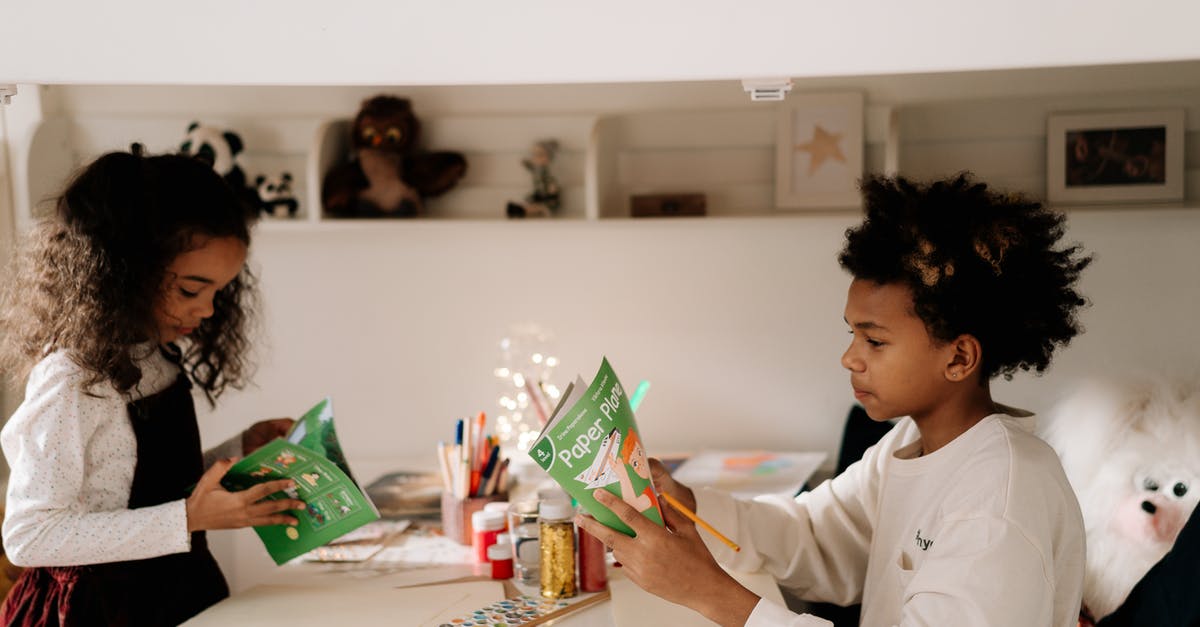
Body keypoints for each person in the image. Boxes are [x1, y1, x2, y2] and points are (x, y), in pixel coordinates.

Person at [577, 174, 1093, 626]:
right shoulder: (913, 444)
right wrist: (686, 503)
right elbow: (814, 535)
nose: (850, 358)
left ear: (958, 358)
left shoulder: (998, 502)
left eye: (874, 340)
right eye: (851, 334)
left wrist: (710, 593)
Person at [0, 146, 307, 626]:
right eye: (191, 289)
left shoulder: (154, 353)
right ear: (124, 271)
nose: (206, 310)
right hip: (98, 609)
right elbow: (29, 536)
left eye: (217, 292)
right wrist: (188, 519)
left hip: (178, 589)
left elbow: (124, 486)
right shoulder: (72, 379)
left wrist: (239, 450)